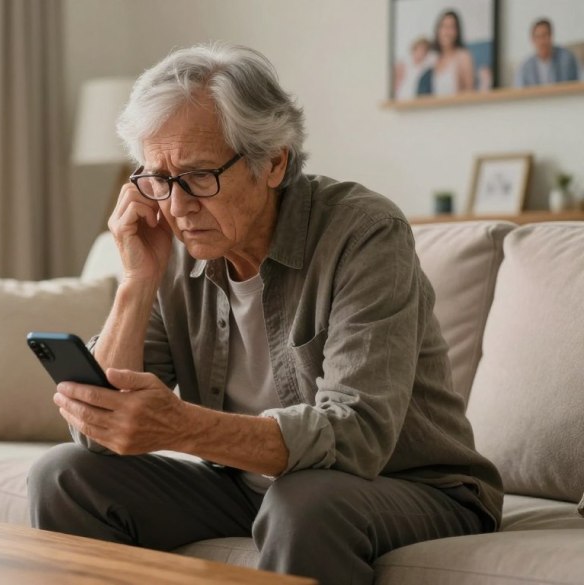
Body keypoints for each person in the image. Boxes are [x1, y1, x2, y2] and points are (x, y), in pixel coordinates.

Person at [27, 44, 502, 585]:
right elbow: (96, 433)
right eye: (158, 177)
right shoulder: (175, 245)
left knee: (304, 503)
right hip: (251, 487)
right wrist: (138, 281)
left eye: (200, 176)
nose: (177, 207)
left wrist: (184, 428)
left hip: (415, 486)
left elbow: (358, 436)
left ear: (273, 161)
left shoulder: (364, 233)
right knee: (64, 476)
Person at [419, 10, 475, 96]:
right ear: (438, 30)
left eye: (451, 27)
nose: (446, 32)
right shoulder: (433, 59)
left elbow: (470, 93)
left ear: (457, 32)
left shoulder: (463, 56)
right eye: (443, 26)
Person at [516, 18, 580, 87]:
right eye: (538, 37)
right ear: (532, 40)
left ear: (551, 36)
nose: (542, 41)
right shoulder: (526, 67)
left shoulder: (567, 59)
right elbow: (519, 91)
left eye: (545, 36)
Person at [393, 36, 435, 100]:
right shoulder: (403, 63)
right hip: (401, 97)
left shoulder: (426, 66)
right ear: (414, 49)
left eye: (425, 50)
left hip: (416, 98)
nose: (422, 52)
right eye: (420, 49)